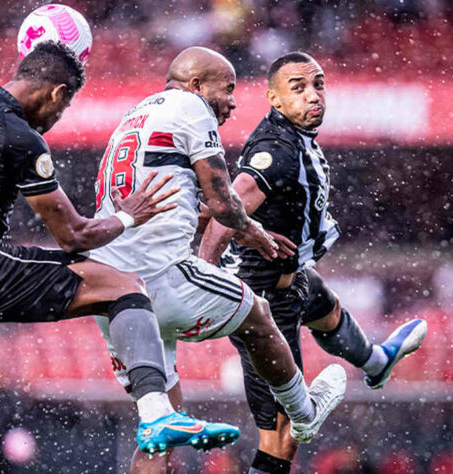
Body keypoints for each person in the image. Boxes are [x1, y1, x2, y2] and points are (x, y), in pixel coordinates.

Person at [0, 42, 241, 474]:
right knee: (126, 286)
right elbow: (74, 237)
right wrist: (127, 218)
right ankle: (157, 413)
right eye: (64, 106)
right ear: (57, 93)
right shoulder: (21, 138)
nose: (58, 120)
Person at [91, 46, 348, 473]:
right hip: (160, 277)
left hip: (115, 295)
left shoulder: (136, 115)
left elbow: (180, 203)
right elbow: (223, 199)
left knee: (160, 432)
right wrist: (254, 231)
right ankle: (304, 413)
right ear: (196, 86)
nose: (233, 101)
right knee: (259, 314)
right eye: (227, 89)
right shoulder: (192, 109)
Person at [199, 52, 428, 474]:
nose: (314, 95)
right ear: (275, 99)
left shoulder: (296, 138)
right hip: (264, 305)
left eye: (318, 84)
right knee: (282, 438)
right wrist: (202, 276)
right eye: (299, 88)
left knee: (330, 312)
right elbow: (229, 207)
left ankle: (376, 363)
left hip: (294, 279)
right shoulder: (278, 151)